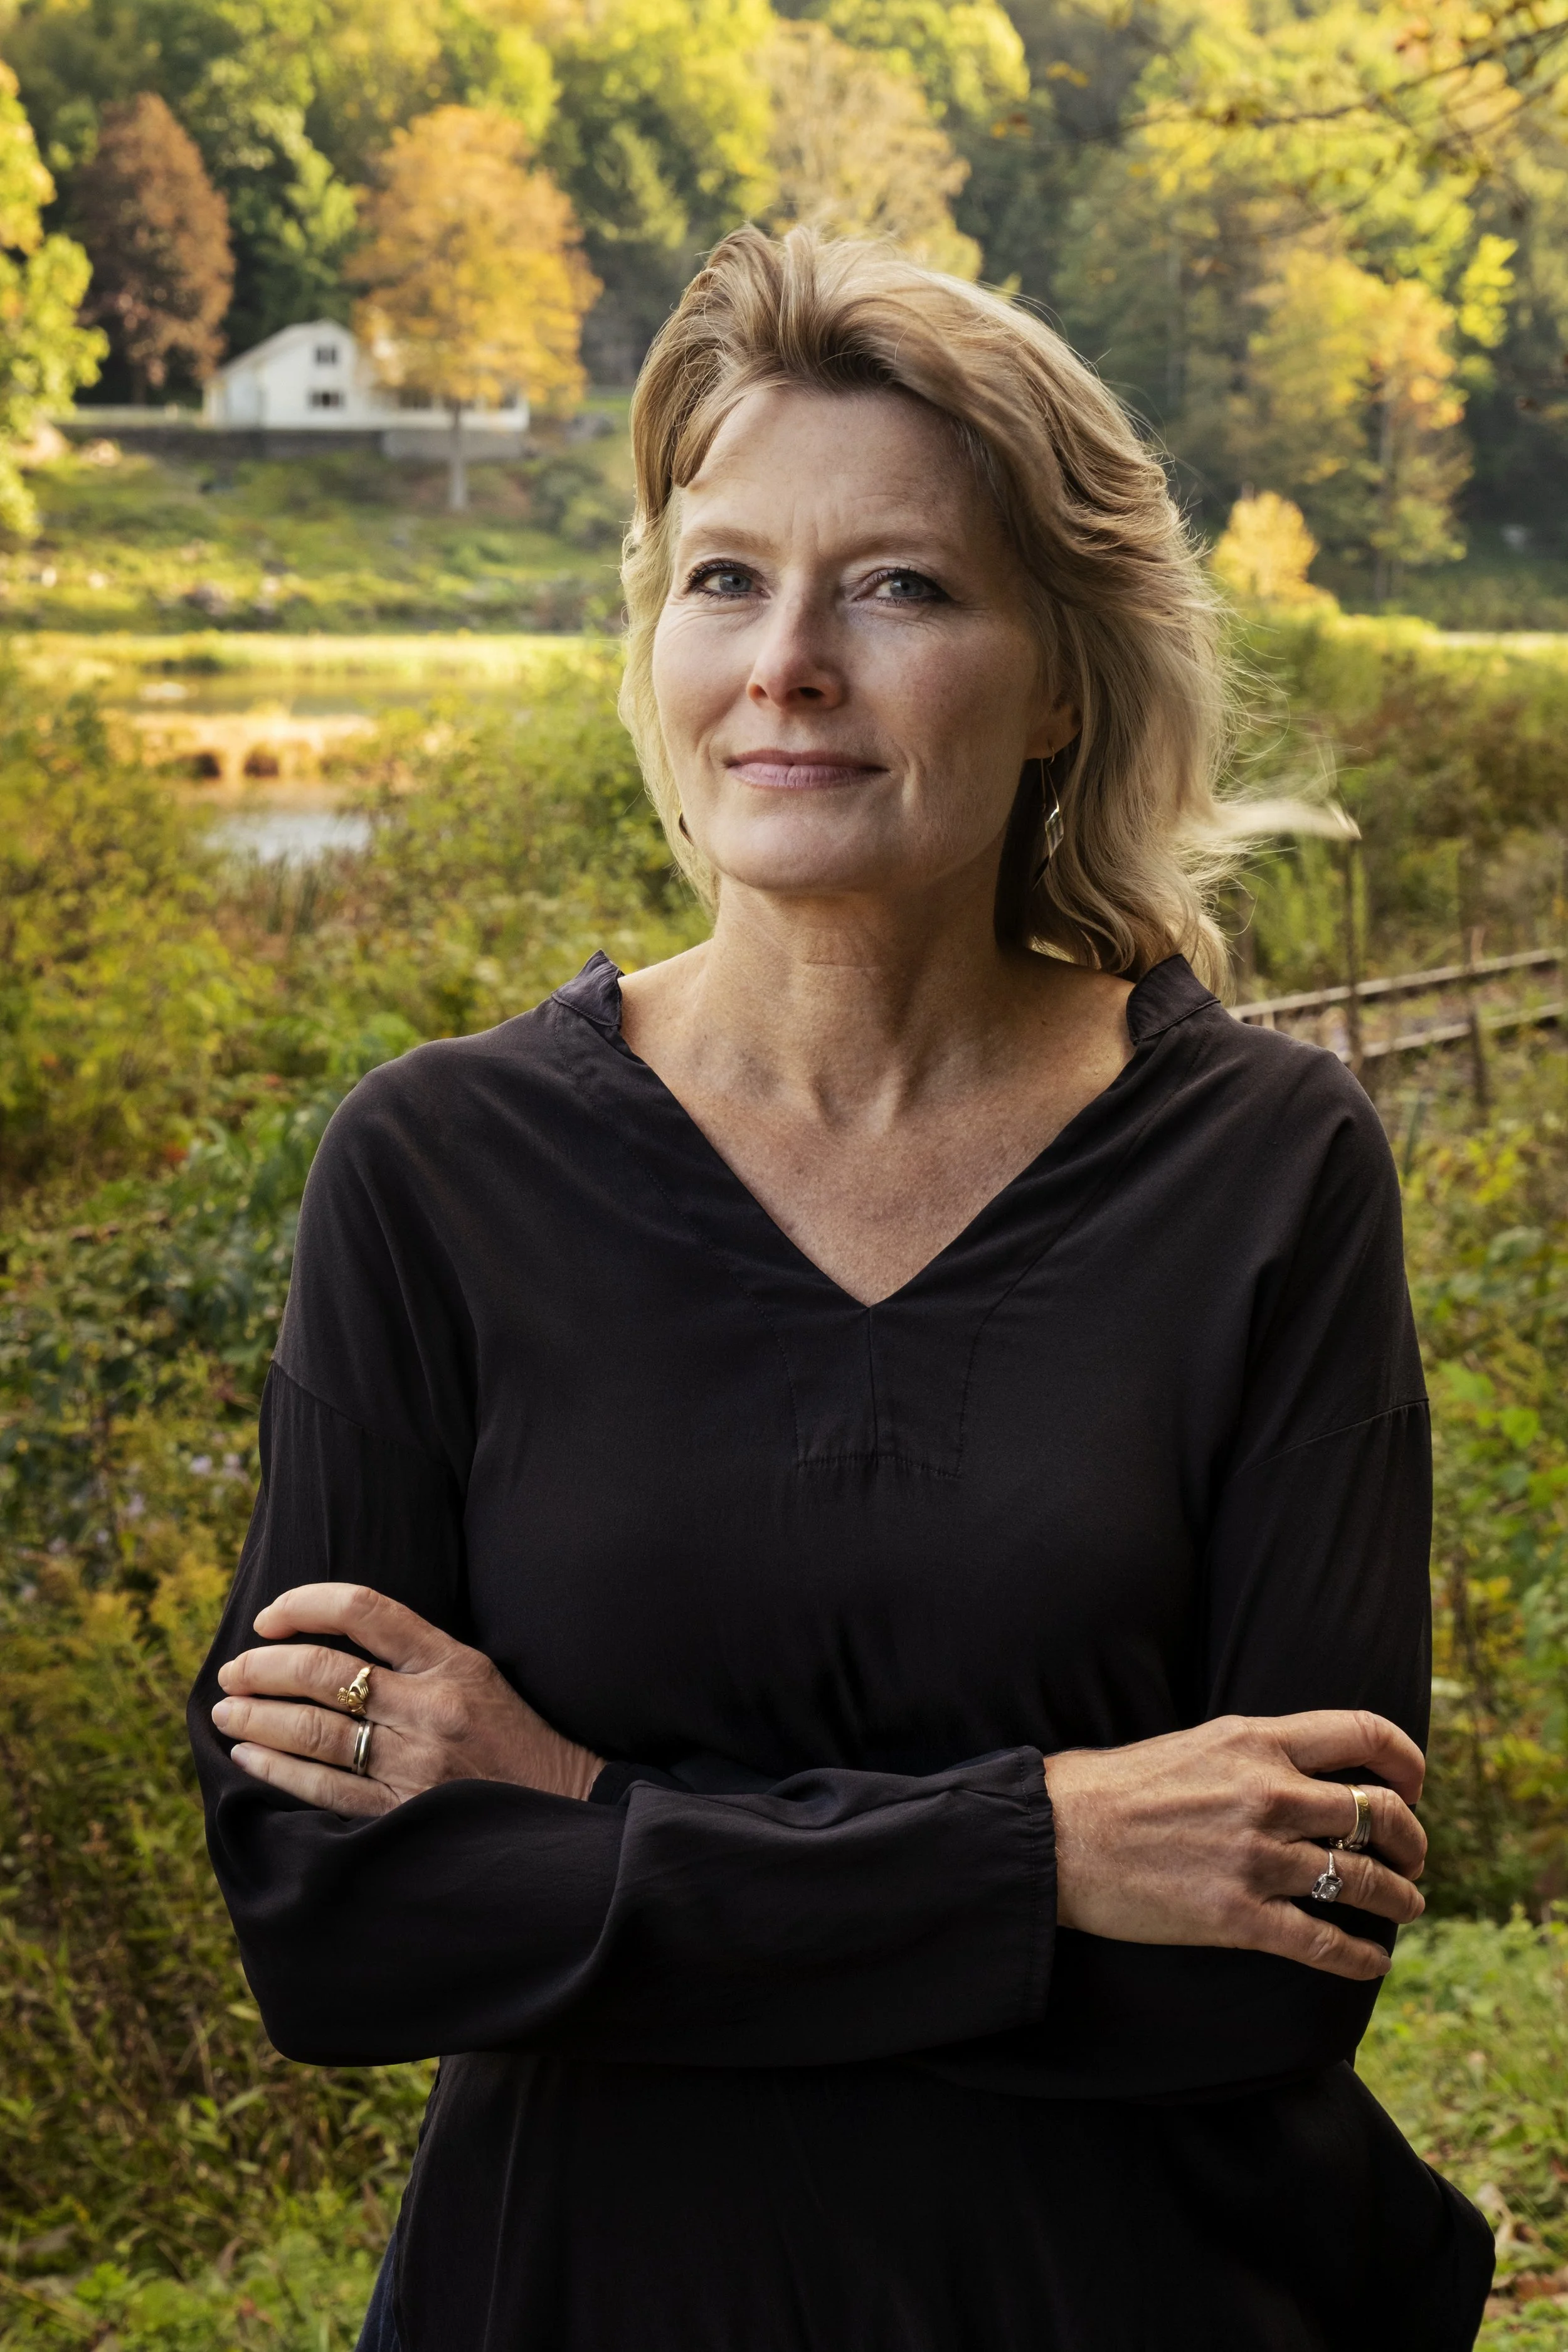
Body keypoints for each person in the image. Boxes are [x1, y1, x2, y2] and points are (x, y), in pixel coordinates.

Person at [189, 226, 1495, 2352]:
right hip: (583, 2296)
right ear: (659, 633)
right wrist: (1050, 1843)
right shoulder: (433, 1169)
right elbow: (341, 1924)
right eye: (724, 576)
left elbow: (1278, 1946)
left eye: (897, 585)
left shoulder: (1264, 1168)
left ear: (1064, 673)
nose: (786, 660)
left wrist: (583, 1814)